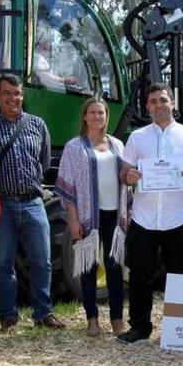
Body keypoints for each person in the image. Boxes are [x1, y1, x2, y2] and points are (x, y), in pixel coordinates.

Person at [118, 82, 183, 345]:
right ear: (147, 107)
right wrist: (129, 175)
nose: (159, 105)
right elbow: (124, 172)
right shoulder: (137, 137)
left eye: (163, 100)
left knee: (178, 275)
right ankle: (140, 327)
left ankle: (179, 329)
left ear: (173, 103)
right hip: (144, 217)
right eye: (153, 101)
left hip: (178, 217)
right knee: (139, 275)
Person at [0, 74, 65, 331]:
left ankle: (44, 313)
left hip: (33, 202)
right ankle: (7, 316)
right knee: (2, 263)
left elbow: (43, 163)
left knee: (42, 261)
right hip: (2, 204)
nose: (13, 98)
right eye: (7, 93)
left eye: (17, 93)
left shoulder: (37, 124)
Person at [55, 97, 128, 337]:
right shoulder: (74, 147)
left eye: (102, 113)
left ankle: (117, 320)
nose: (98, 117)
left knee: (115, 267)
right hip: (88, 216)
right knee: (89, 268)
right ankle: (92, 319)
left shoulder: (118, 145)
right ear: (85, 117)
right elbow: (68, 187)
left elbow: (126, 177)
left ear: (107, 117)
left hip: (114, 216)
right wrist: (74, 221)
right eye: (93, 112)